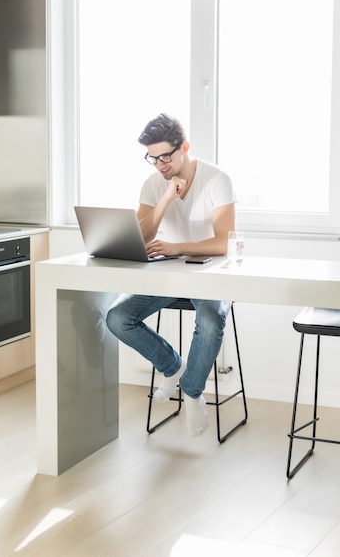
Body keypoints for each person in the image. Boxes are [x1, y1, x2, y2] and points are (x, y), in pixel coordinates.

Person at [106, 113, 236, 437]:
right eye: (153, 157)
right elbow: (141, 236)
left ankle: (192, 392)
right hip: (170, 272)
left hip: (213, 274)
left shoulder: (217, 179)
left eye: (166, 156)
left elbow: (225, 243)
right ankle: (173, 367)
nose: (161, 164)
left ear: (185, 147)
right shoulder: (153, 183)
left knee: (208, 320)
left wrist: (178, 247)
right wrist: (164, 197)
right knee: (118, 317)